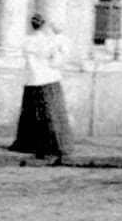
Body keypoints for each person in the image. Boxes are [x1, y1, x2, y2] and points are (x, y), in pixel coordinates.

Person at [10, 12, 74, 162]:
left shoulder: (26, 41)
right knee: (51, 114)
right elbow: (56, 62)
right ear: (44, 26)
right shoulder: (49, 42)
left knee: (31, 115)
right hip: (49, 79)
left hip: (32, 79)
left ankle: (28, 144)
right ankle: (55, 146)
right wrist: (61, 51)